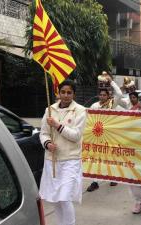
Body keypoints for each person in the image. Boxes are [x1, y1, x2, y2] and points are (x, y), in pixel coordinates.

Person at [39, 80, 87, 225]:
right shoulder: (49, 109)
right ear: (58, 93)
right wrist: (47, 144)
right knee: (55, 199)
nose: (66, 95)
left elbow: (76, 135)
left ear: (74, 94)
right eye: (63, 92)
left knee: (65, 198)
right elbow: (43, 133)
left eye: (69, 92)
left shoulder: (80, 110)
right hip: (52, 160)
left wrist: (57, 125)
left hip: (70, 160)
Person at [87, 72, 123, 192]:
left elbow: (119, 93)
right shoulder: (94, 106)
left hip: (110, 135)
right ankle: (95, 181)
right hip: (97, 136)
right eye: (101, 95)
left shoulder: (112, 104)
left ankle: (114, 177)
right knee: (96, 159)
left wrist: (111, 81)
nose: (102, 97)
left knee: (111, 157)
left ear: (108, 96)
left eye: (104, 95)